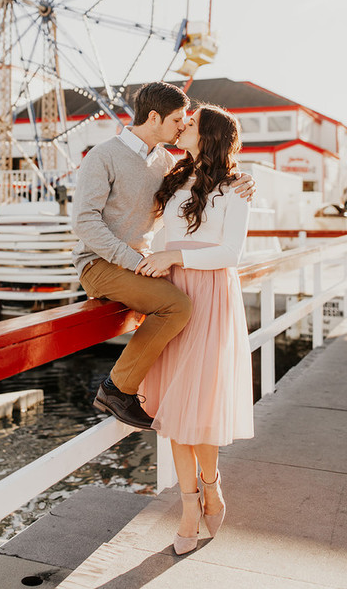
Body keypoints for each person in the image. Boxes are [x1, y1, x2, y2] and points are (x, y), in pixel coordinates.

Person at [71, 82, 255, 430]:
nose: (182, 126)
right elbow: (84, 223)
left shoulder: (166, 160)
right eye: (176, 120)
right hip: (98, 263)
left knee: (176, 309)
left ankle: (123, 388)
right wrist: (135, 261)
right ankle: (117, 388)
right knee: (178, 306)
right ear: (153, 117)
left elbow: (209, 176)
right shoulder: (103, 156)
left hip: (136, 265)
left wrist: (243, 180)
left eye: (187, 121)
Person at [136, 103, 253, 553]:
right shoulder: (173, 175)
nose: (183, 125)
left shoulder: (235, 187)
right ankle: (188, 509)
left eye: (192, 124)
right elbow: (160, 236)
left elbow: (231, 253)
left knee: (197, 411)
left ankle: (211, 483)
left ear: (210, 136)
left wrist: (175, 257)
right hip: (172, 297)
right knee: (174, 412)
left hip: (210, 295)